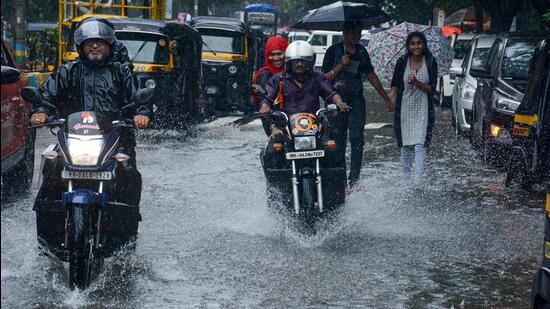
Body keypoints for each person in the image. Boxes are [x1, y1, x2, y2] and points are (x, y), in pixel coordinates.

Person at [30, 20, 151, 207]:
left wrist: (141, 114)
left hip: (116, 137)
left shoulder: (121, 72)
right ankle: (49, 216)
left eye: (100, 42)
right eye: (89, 42)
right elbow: (46, 94)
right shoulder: (68, 71)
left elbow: (138, 96)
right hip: (73, 137)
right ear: (81, 46)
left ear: (109, 46)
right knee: (52, 165)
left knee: (127, 170)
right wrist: (41, 111)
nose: (95, 45)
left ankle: (128, 221)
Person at [322, 21, 394, 187]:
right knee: (337, 141)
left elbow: (371, 76)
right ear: (344, 33)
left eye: (359, 32)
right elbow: (323, 80)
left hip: (356, 101)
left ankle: (354, 179)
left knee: (357, 140)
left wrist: (386, 99)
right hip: (336, 101)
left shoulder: (362, 51)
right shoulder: (333, 51)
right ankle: (339, 177)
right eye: (352, 32)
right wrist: (340, 65)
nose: (356, 36)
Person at [258, 40, 349, 169]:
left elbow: (331, 94)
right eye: (296, 61)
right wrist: (265, 109)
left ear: (309, 62)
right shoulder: (278, 79)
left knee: (334, 151)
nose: (299, 64)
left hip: (315, 129)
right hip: (286, 129)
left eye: (303, 60)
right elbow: (266, 100)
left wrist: (340, 103)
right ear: (289, 62)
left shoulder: (317, 78)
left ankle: (340, 187)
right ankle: (275, 188)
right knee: (272, 153)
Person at [390, 31, 438, 185]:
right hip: (404, 107)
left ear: (423, 45)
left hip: (423, 107)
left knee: (420, 143)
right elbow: (396, 85)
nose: (416, 46)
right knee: (405, 144)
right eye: (412, 43)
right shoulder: (402, 61)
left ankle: (417, 182)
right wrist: (391, 100)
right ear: (408, 46)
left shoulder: (430, 61)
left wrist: (417, 81)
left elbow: (432, 89)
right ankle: (406, 181)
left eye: (419, 43)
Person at [252, 36, 288, 110]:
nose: (276, 58)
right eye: (272, 55)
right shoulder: (265, 74)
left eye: (279, 54)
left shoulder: (289, 72)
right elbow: (262, 100)